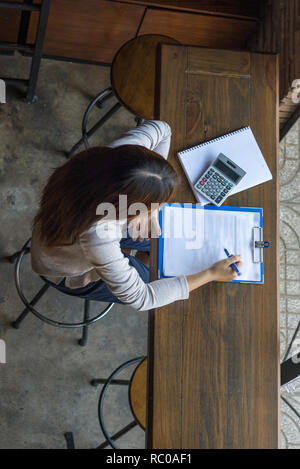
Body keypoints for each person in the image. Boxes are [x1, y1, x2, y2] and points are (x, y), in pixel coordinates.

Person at [31, 120, 242, 311]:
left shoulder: (114, 157)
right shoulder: (98, 237)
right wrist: (211, 274)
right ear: (124, 206)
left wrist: (149, 212)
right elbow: (143, 297)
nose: (155, 209)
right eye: (149, 205)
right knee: (155, 277)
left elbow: (164, 129)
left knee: (169, 235)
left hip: (79, 217)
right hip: (69, 269)